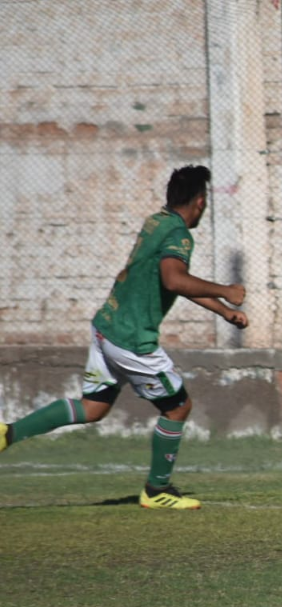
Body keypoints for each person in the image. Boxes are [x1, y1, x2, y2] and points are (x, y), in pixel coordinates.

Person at [0, 165, 248, 510]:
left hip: (108, 325)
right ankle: (157, 489)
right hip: (132, 338)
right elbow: (174, 280)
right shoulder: (179, 235)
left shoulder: (156, 222)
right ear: (201, 201)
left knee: (92, 407)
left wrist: (222, 310)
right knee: (177, 407)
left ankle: (7, 433)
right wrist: (227, 291)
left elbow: (172, 279)